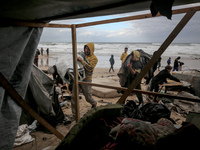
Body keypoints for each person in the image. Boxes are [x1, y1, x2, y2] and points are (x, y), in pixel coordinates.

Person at [71, 42, 98, 119]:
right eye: (85, 48)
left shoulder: (94, 58)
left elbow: (90, 68)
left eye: (88, 49)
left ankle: (94, 104)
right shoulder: (82, 55)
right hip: (78, 77)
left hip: (87, 79)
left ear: (91, 50)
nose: (86, 50)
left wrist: (81, 61)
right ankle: (74, 113)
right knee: (74, 96)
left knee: (88, 97)